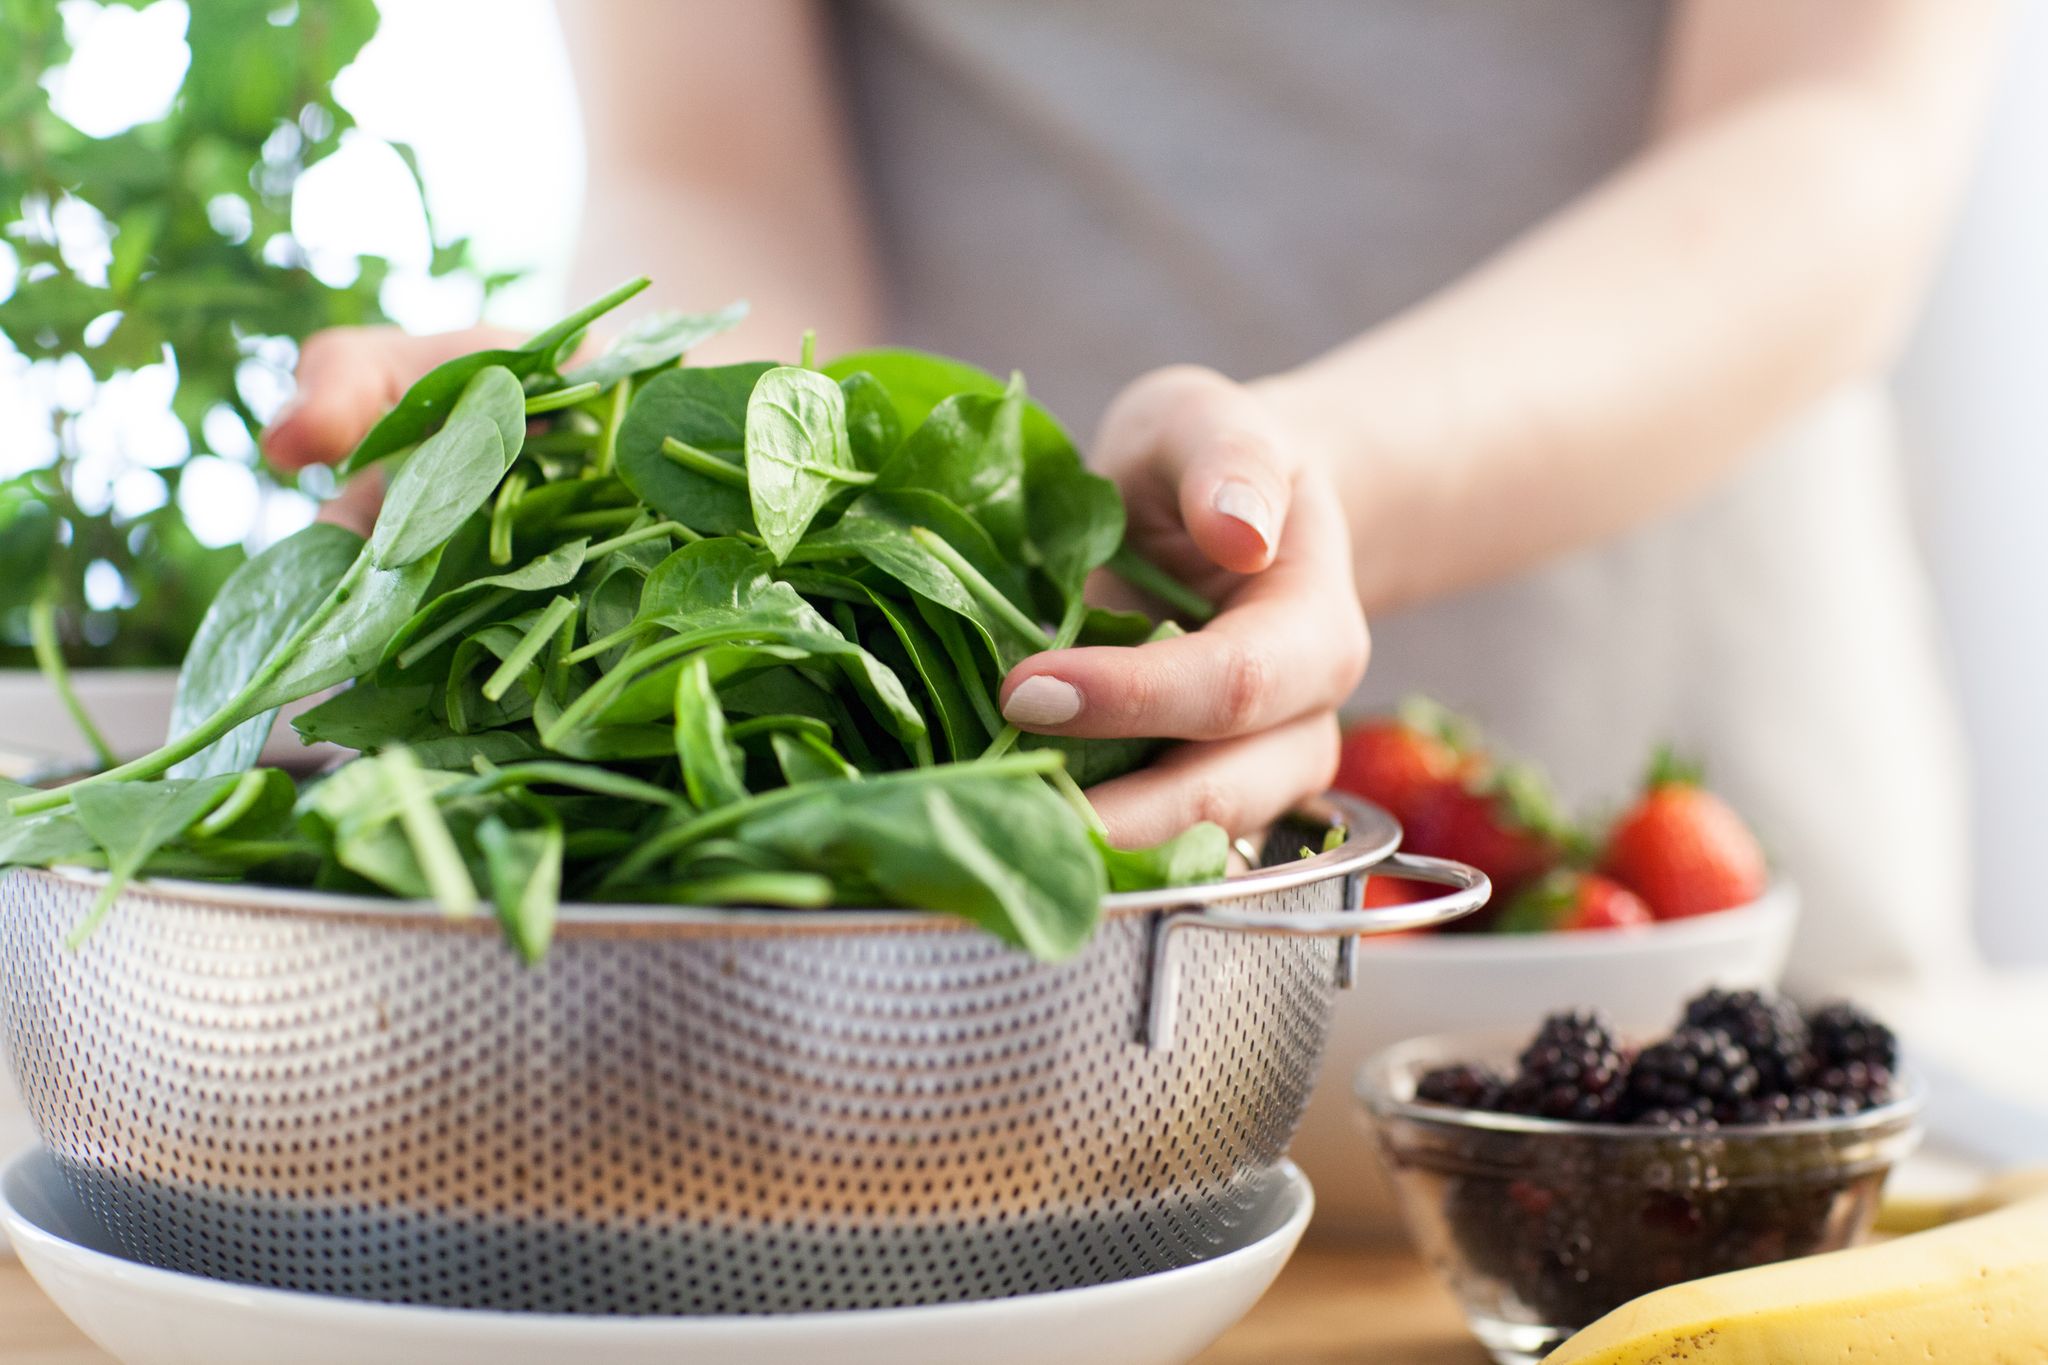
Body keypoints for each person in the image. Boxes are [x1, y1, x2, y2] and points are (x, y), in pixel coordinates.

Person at [265, 0, 2003, 992]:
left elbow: (1839, 132)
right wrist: (644, 423)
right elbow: (706, 163)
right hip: (1005, 862)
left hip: (1660, 824)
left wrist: (1321, 483)